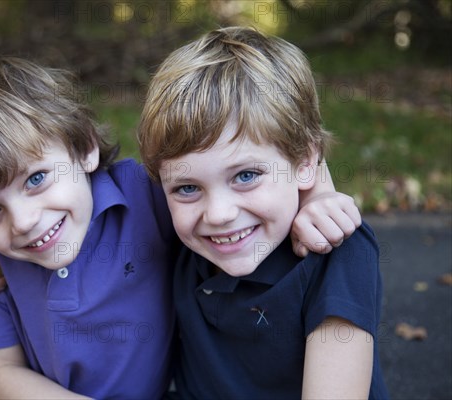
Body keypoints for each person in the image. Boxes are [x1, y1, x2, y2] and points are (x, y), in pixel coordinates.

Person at [0, 54, 361, 399]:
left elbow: (234, 161)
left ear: (84, 149)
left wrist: (318, 194)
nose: (25, 221)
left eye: (36, 180)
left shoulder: (143, 196)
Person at [137, 26, 388, 398]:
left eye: (246, 176)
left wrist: (319, 191)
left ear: (305, 160)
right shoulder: (176, 231)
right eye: (188, 188)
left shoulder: (336, 249)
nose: (219, 214)